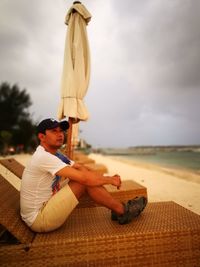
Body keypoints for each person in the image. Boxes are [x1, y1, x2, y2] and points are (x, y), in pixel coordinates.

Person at [20, 118, 147, 232]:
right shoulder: (43, 157)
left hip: (48, 201)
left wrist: (98, 178)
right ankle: (122, 211)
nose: (60, 134)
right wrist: (109, 180)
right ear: (41, 137)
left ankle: (116, 209)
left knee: (84, 178)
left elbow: (80, 167)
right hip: (39, 219)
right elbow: (84, 179)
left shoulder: (55, 154)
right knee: (82, 181)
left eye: (61, 131)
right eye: (54, 131)